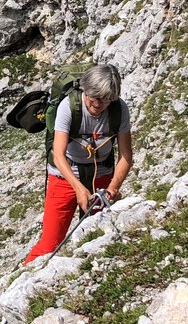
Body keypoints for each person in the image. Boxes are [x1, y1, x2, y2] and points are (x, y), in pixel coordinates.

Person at [23, 64, 133, 265]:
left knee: (99, 234)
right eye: (94, 97)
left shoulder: (119, 110)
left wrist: (112, 189)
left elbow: (126, 156)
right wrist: (77, 187)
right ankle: (21, 280)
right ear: (85, 90)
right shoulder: (68, 106)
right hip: (63, 177)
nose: (99, 104)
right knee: (50, 244)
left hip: (101, 175)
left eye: (106, 99)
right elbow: (58, 155)